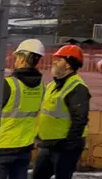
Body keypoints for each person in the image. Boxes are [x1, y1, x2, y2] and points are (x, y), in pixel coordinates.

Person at [32, 44, 91, 179]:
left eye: (59, 60)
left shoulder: (78, 88)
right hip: (48, 144)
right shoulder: (53, 84)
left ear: (68, 65)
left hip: (64, 147)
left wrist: (69, 145)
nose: (54, 62)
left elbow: (80, 119)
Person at [0, 39, 46, 179]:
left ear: (22, 59)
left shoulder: (8, 85)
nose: (15, 60)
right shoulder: (41, 86)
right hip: (25, 147)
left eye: (17, 57)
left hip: (2, 146)